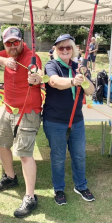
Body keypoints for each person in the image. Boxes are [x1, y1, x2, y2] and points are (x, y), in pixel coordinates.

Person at [0, 26, 43, 218]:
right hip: (9, 109)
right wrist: (3, 61)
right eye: (8, 43)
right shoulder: (6, 53)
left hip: (28, 110)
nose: (12, 46)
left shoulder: (30, 56)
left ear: (21, 41)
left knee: (24, 154)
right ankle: (10, 177)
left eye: (15, 42)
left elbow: (37, 73)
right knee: (1, 144)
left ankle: (30, 197)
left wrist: (35, 77)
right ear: (4, 43)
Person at [43, 34, 95, 206]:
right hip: (55, 120)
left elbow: (90, 91)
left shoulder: (78, 67)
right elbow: (55, 82)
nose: (65, 50)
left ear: (73, 49)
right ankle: (58, 189)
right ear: (56, 50)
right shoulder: (52, 65)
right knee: (58, 157)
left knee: (79, 156)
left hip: (77, 120)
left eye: (68, 47)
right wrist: (73, 81)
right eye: (61, 48)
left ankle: (81, 186)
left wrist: (84, 77)